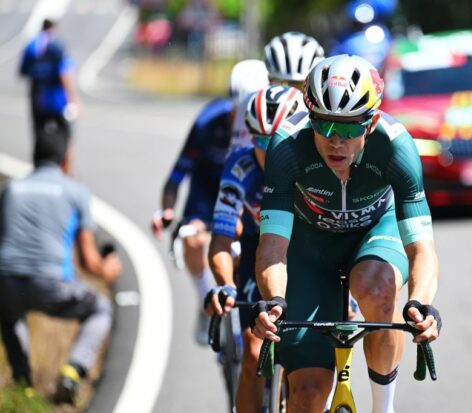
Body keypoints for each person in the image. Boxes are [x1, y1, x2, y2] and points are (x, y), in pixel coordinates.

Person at [250, 54, 442, 413]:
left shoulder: (397, 148)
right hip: (309, 251)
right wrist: (274, 300)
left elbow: (422, 250)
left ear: (370, 125)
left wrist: (421, 303)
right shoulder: (287, 146)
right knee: (307, 395)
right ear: (311, 119)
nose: (336, 140)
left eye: (350, 128)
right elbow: (273, 246)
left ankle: (383, 408)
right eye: (324, 126)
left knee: (377, 288)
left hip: (374, 234)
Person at [0, 127, 122, 404]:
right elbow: (90, 261)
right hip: (52, 284)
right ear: (66, 157)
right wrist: (108, 270)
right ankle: (73, 369)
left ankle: (24, 385)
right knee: (100, 308)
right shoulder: (75, 192)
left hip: (6, 281)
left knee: (8, 314)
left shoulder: (12, 189)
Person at [151, 59, 269, 345]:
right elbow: (177, 174)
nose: (244, 119)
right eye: (240, 112)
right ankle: (207, 296)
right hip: (208, 189)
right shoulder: (207, 123)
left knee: (244, 242)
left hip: (248, 189)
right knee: (193, 240)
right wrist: (167, 209)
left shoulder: (269, 120)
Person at [205, 85, 304, 413]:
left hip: (306, 252)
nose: (269, 150)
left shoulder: (314, 163)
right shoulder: (239, 167)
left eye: (277, 139)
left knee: (307, 357)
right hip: (255, 250)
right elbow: (220, 241)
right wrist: (225, 283)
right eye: (260, 140)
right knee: (252, 353)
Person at [19, 19, 81, 141]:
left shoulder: (32, 44)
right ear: (54, 28)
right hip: (58, 97)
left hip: (38, 94)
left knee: (38, 129)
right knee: (66, 134)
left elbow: (23, 71)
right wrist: (74, 99)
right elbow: (65, 73)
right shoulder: (58, 45)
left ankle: (39, 154)